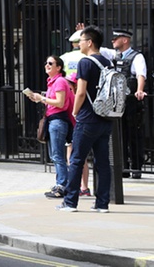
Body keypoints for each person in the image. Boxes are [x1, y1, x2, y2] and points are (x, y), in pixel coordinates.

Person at [57, 25, 113, 213]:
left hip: (87, 118)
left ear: (89, 42)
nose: (77, 44)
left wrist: (74, 111)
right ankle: (102, 203)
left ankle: (70, 202)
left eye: (80, 40)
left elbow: (80, 92)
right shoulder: (107, 62)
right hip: (105, 118)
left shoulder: (85, 63)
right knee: (103, 162)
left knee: (77, 159)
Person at [100, 28, 147, 179]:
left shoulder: (137, 56)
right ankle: (123, 167)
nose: (113, 41)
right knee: (119, 134)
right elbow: (97, 48)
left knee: (134, 134)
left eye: (116, 38)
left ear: (125, 40)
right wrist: (84, 34)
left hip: (131, 102)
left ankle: (136, 167)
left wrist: (139, 90)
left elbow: (141, 74)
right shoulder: (115, 55)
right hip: (117, 101)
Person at [27, 55, 74, 198]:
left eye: (50, 63)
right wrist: (39, 98)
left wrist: (42, 98)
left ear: (58, 67)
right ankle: (61, 184)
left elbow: (59, 103)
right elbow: (53, 101)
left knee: (57, 155)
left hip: (58, 121)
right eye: (46, 63)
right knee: (55, 155)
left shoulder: (59, 81)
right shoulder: (52, 82)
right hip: (54, 120)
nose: (47, 65)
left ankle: (62, 186)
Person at [64, 72, 91, 197]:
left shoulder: (77, 97)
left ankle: (83, 187)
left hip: (78, 128)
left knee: (77, 158)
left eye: (70, 83)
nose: (68, 85)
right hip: (74, 128)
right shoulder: (73, 95)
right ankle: (82, 186)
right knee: (75, 158)